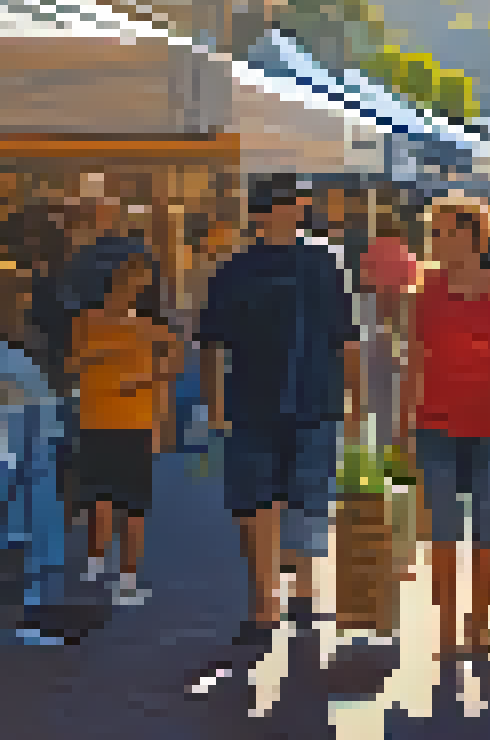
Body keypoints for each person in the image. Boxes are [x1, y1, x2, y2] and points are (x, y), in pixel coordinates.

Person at [198, 178, 361, 648]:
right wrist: (215, 409)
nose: (301, 209)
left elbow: (345, 335)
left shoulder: (322, 262)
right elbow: (212, 344)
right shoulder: (237, 269)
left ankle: (303, 592)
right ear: (269, 211)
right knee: (256, 506)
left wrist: (355, 404)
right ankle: (265, 604)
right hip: (254, 403)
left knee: (307, 500)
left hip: (313, 401)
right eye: (293, 203)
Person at [408, 200, 490, 659]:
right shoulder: (424, 287)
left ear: (473, 235)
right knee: (441, 531)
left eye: (445, 232)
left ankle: (479, 621)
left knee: (488, 528)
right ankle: (445, 628)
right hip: (435, 421)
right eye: (434, 233)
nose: (437, 242)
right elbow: (414, 356)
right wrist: (403, 422)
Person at [68, 245, 175, 606]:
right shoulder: (145, 329)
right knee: (128, 505)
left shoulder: (89, 323)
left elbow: (75, 365)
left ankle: (100, 568)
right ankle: (122, 579)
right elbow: (163, 373)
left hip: (104, 420)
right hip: (123, 422)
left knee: (107, 499)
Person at [357, 205, 423, 455]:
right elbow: (411, 287)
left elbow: (366, 283)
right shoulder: (407, 255)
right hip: (401, 316)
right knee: (400, 379)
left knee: (377, 383)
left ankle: (381, 441)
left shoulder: (370, 252)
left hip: (373, 315)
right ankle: (400, 439)